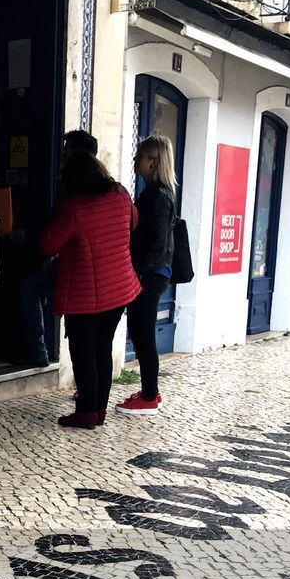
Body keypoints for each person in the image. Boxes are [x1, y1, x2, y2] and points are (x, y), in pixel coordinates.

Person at [39, 150, 141, 428]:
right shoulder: (121, 196)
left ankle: (85, 412)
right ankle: (98, 410)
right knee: (102, 350)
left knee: (84, 353)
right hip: (119, 289)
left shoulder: (73, 208)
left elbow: (49, 243)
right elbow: (133, 222)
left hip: (85, 294)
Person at [19, 130, 100, 369]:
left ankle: (40, 350)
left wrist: (52, 252)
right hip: (74, 260)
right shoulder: (102, 187)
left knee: (31, 290)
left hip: (73, 263)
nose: (62, 152)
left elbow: (67, 227)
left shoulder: (75, 187)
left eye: (67, 148)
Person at [115, 133, 178, 417]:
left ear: (153, 162)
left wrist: (137, 273)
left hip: (150, 275)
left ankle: (150, 397)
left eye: (140, 155)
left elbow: (156, 242)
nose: (135, 159)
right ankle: (150, 391)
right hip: (150, 273)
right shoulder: (156, 192)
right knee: (141, 332)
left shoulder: (159, 196)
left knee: (144, 334)